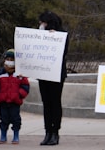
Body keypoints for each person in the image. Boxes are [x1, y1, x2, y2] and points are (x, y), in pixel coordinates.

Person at [38, 10, 69, 146]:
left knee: (55, 102)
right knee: (46, 103)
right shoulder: (39, 35)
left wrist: (53, 38)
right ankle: (47, 132)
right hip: (43, 73)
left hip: (56, 74)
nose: (40, 25)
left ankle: (55, 132)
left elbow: (64, 52)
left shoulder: (62, 35)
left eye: (42, 22)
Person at [0, 49, 30, 145]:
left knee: (16, 119)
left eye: (12, 59)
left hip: (15, 102)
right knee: (3, 119)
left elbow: (26, 87)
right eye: (8, 59)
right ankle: (3, 135)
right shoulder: (0, 74)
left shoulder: (20, 75)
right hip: (3, 101)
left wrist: (19, 95)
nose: (9, 61)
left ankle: (16, 135)